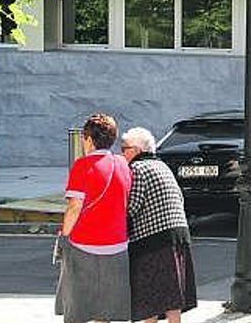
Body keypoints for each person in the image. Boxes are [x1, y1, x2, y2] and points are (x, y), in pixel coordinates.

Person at [56, 113, 132, 323]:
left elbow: (74, 206)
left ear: (89, 139)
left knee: (78, 305)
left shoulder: (82, 166)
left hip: (85, 244)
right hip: (117, 244)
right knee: (105, 307)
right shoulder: (123, 164)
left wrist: (64, 236)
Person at [122, 127, 197, 323]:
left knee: (150, 297)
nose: (122, 153)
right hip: (179, 235)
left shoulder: (137, 169)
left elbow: (132, 207)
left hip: (153, 240)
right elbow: (179, 198)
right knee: (172, 296)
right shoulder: (163, 166)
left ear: (137, 150)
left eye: (125, 148)